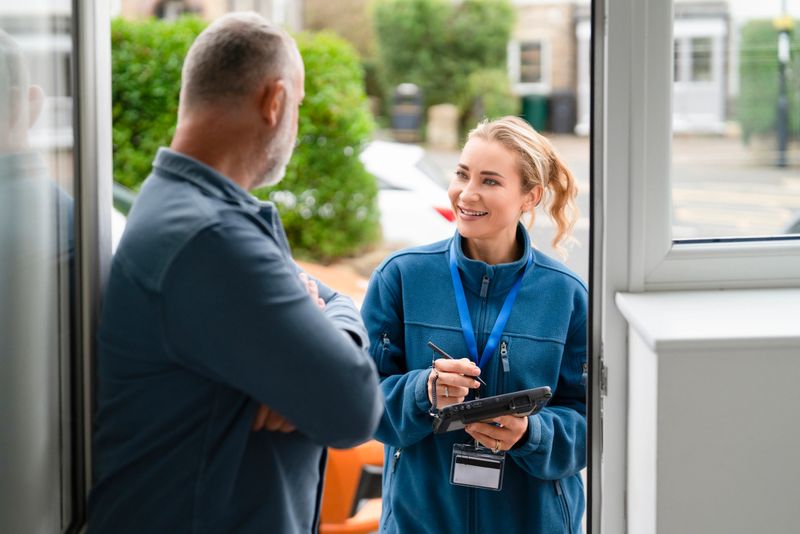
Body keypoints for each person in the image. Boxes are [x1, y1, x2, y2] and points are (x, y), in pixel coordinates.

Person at [88, 13, 382, 533]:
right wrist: (315, 366)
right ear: (274, 102)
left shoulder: (189, 209)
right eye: (299, 104)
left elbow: (329, 303)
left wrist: (321, 340)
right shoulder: (210, 237)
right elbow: (353, 406)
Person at [362, 116, 587, 533]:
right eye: (462, 174)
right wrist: (422, 391)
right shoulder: (401, 277)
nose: (467, 194)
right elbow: (361, 400)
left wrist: (531, 434)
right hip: (420, 522)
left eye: (490, 181)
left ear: (529, 197)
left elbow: (591, 421)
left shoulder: (568, 295)